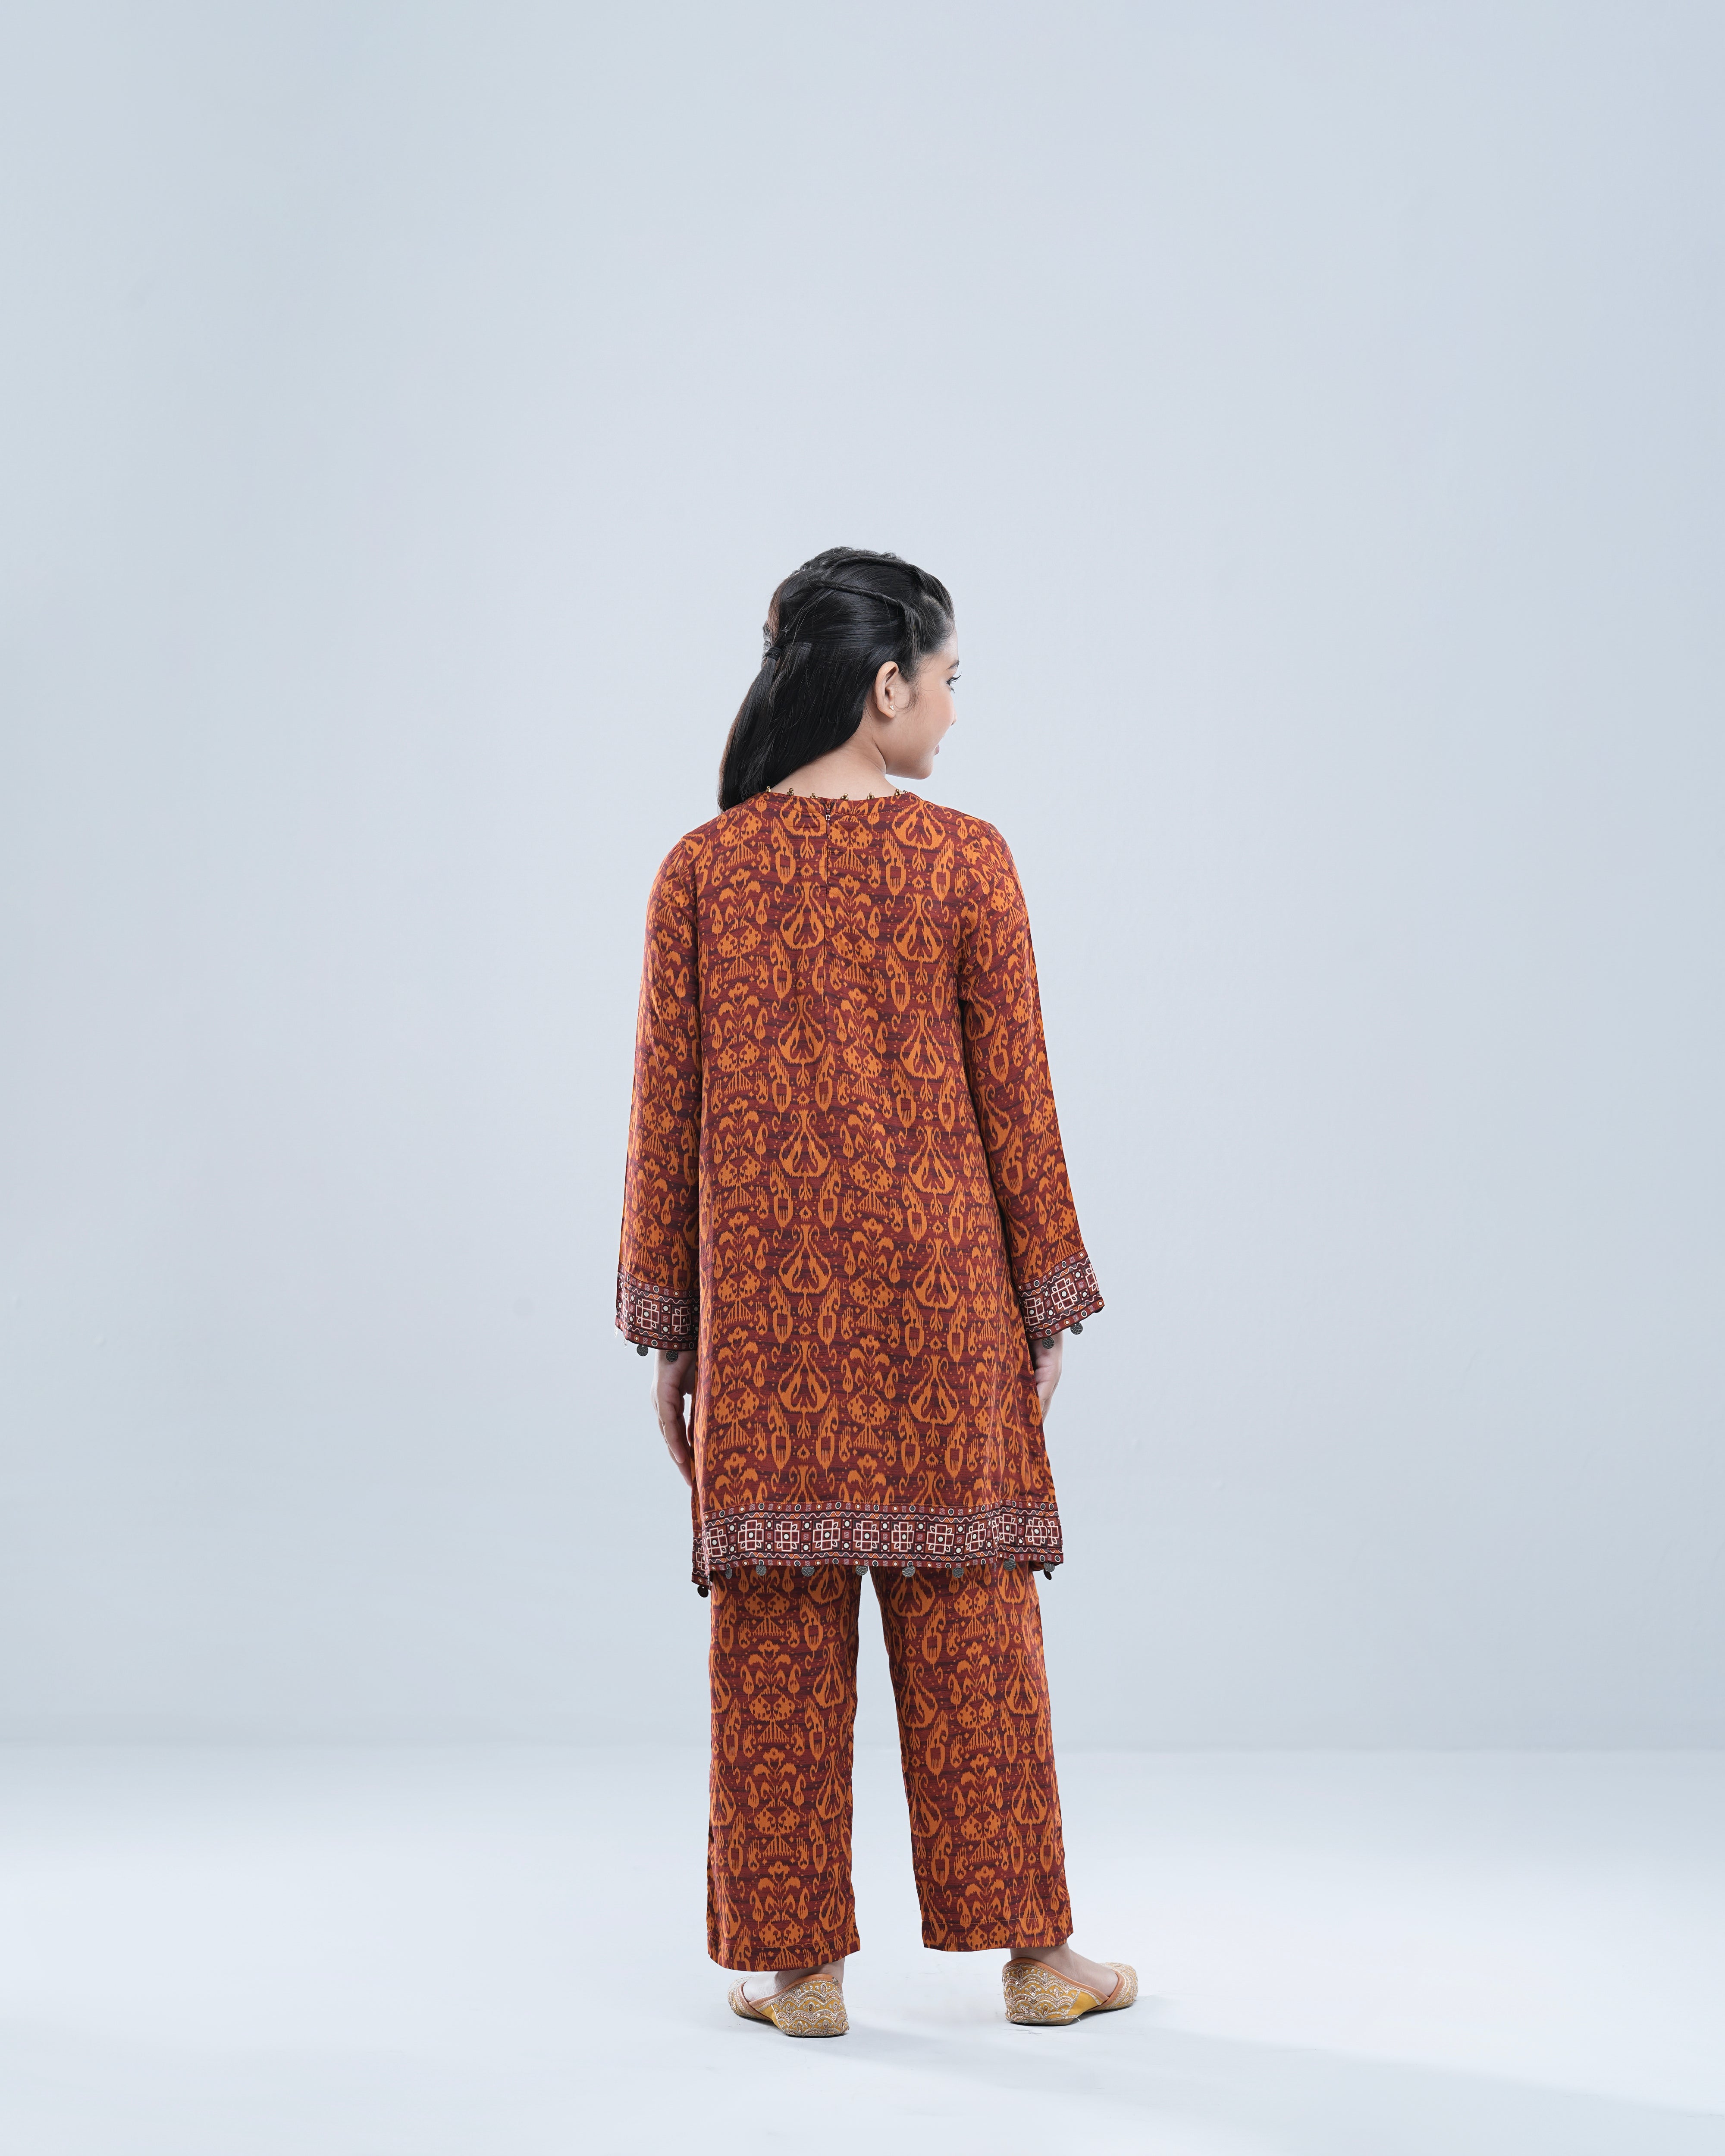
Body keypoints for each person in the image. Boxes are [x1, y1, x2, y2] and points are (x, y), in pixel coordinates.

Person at [615, 547, 1132, 2037]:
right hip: (944, 1306)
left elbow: (665, 1119)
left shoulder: (702, 871)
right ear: (886, 684)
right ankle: (1039, 1960)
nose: (957, 711)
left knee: (773, 1635)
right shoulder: (967, 859)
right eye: (950, 680)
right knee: (977, 1621)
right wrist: (1045, 1297)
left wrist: (672, 1330)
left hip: (769, 1321)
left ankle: (800, 1975)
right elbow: (1017, 1099)